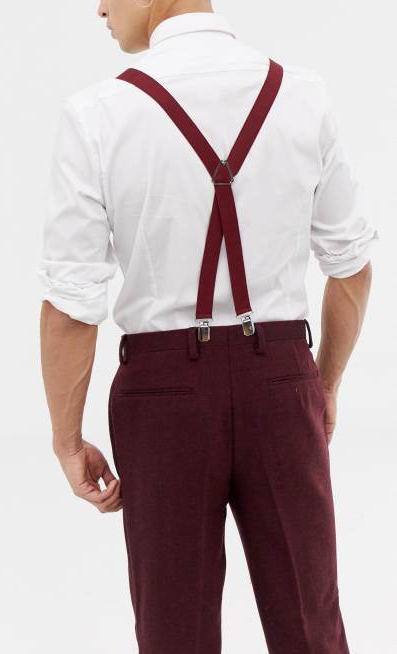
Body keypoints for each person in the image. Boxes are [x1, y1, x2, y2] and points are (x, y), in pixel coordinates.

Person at [37, 2, 379, 653]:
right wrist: (323, 384)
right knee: (310, 622)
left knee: (174, 632)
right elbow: (351, 268)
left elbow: (72, 308)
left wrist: (66, 439)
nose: (100, 6)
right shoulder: (300, 95)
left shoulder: (98, 113)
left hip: (161, 394)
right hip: (281, 381)